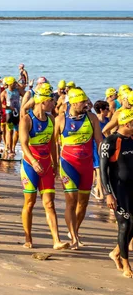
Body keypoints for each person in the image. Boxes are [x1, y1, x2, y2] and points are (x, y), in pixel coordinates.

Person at [19, 83, 70, 250]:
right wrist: (33, 162)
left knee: (49, 203)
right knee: (30, 202)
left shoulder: (51, 119)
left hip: (47, 165)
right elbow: (24, 144)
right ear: (42, 101)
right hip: (29, 165)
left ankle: (56, 240)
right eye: (50, 101)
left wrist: (55, 163)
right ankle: (28, 237)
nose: (54, 103)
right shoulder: (27, 119)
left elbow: (53, 144)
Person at [54, 88, 104, 249]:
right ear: (73, 103)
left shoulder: (92, 118)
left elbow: (99, 141)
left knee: (83, 203)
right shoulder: (61, 119)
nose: (86, 104)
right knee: (71, 202)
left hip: (86, 165)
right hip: (68, 164)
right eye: (83, 102)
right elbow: (53, 143)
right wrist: (54, 164)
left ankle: (74, 230)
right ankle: (74, 237)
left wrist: (104, 162)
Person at [101, 109, 133, 278]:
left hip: (131, 187)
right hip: (118, 189)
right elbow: (103, 171)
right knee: (125, 225)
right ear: (127, 123)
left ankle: (115, 252)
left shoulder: (132, 139)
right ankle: (126, 264)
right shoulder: (110, 142)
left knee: (132, 225)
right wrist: (108, 194)